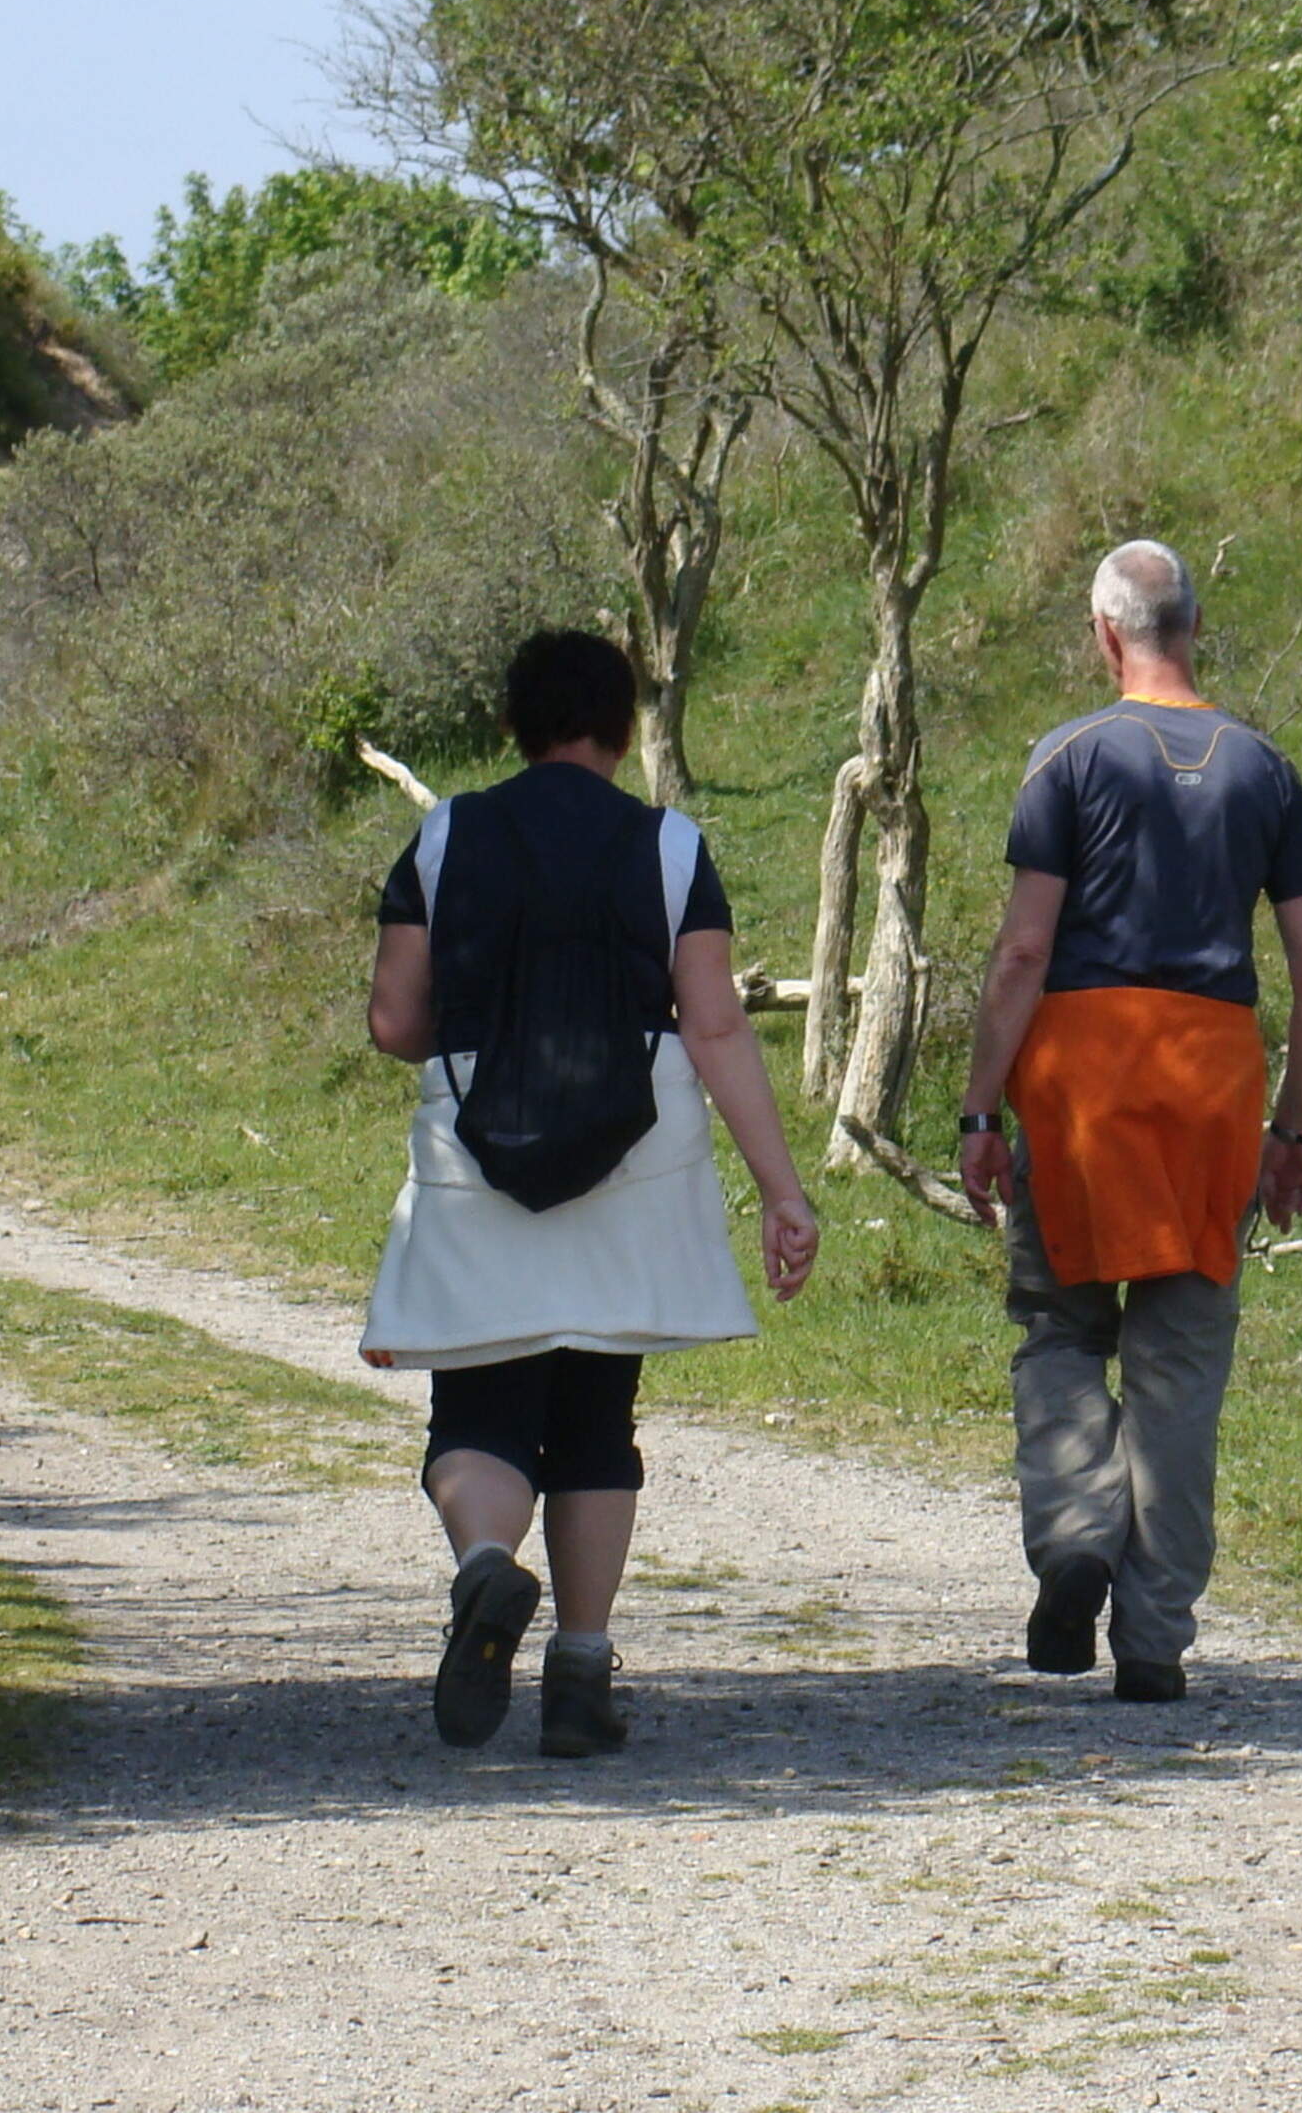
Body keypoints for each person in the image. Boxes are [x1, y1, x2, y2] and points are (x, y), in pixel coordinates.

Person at [361, 629, 821, 1757]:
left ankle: (484, 1572)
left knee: (477, 1407)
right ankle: (579, 1673)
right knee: (596, 1417)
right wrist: (781, 1190)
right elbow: (713, 1024)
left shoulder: (447, 834)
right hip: (637, 1149)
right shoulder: (669, 847)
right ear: (623, 728)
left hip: (478, 1150)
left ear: (514, 725)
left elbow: (393, 1022)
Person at [952, 541, 1302, 1704]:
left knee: (1062, 1324)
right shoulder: (1264, 770)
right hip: (1210, 1081)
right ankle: (1156, 1640)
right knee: (1179, 1359)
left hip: (1081, 1083)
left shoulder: (1067, 758)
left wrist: (981, 1108)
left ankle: (1077, 1533)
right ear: (1195, 628)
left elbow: (1025, 948)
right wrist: (1296, 1131)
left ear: (1103, 633)